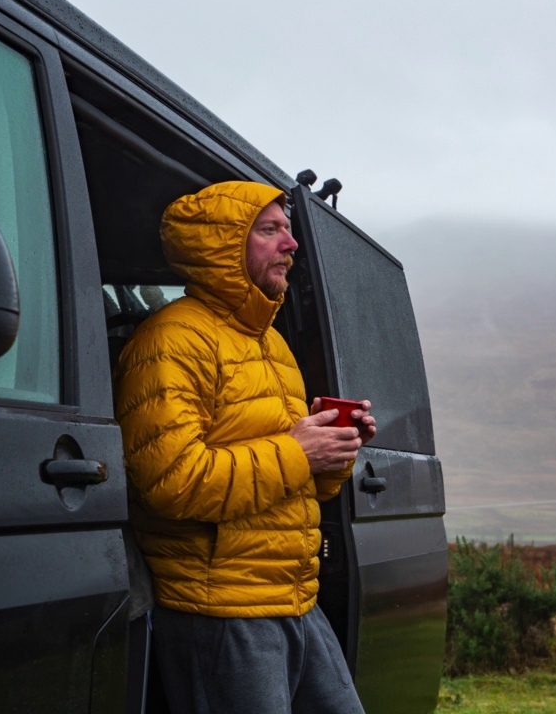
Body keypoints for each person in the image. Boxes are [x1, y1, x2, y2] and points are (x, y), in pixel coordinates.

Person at [115, 180, 373, 713]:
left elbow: (297, 479)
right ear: (223, 246)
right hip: (222, 610)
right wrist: (299, 451)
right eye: (271, 229)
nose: (292, 243)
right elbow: (173, 483)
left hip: (296, 598)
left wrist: (334, 448)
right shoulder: (170, 341)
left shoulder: (271, 342)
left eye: (289, 228)